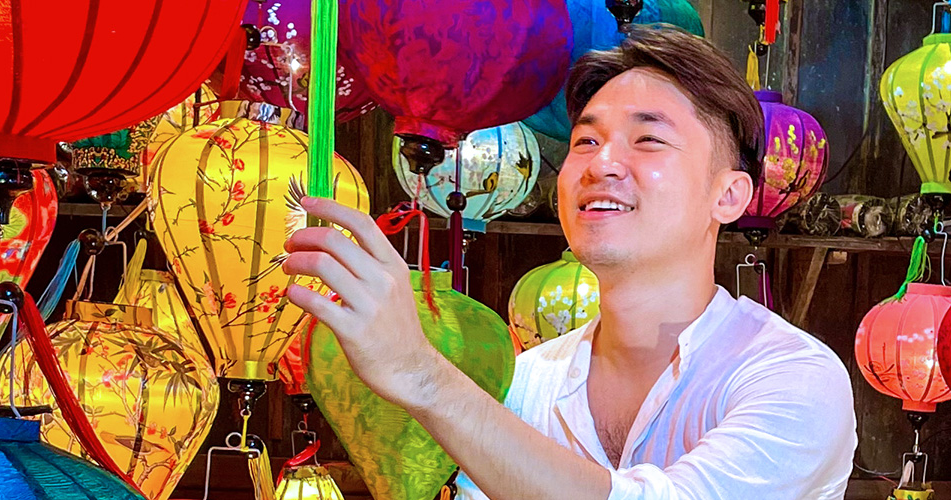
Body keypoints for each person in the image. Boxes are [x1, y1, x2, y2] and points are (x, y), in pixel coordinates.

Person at [281, 25, 855, 500]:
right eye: (585, 141)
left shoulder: (791, 377)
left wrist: (422, 375)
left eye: (648, 140)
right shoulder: (527, 382)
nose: (602, 163)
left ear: (728, 196)